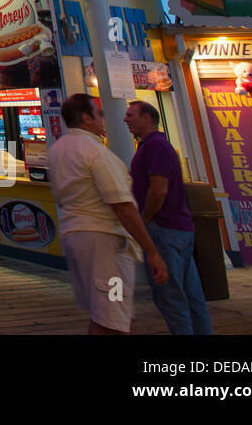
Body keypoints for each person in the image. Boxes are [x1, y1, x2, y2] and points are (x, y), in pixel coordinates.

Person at [47, 93, 169, 335]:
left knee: (105, 314)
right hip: (104, 244)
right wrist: (151, 251)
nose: (104, 119)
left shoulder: (58, 149)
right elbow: (122, 205)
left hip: (75, 236)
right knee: (113, 318)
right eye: (99, 114)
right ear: (86, 118)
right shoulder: (95, 153)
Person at [123, 100, 213, 335]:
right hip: (177, 229)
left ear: (147, 118)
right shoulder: (155, 146)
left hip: (164, 229)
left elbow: (159, 188)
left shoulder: (155, 147)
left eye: (131, 115)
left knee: (171, 296)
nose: (126, 120)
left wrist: (144, 219)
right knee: (190, 294)